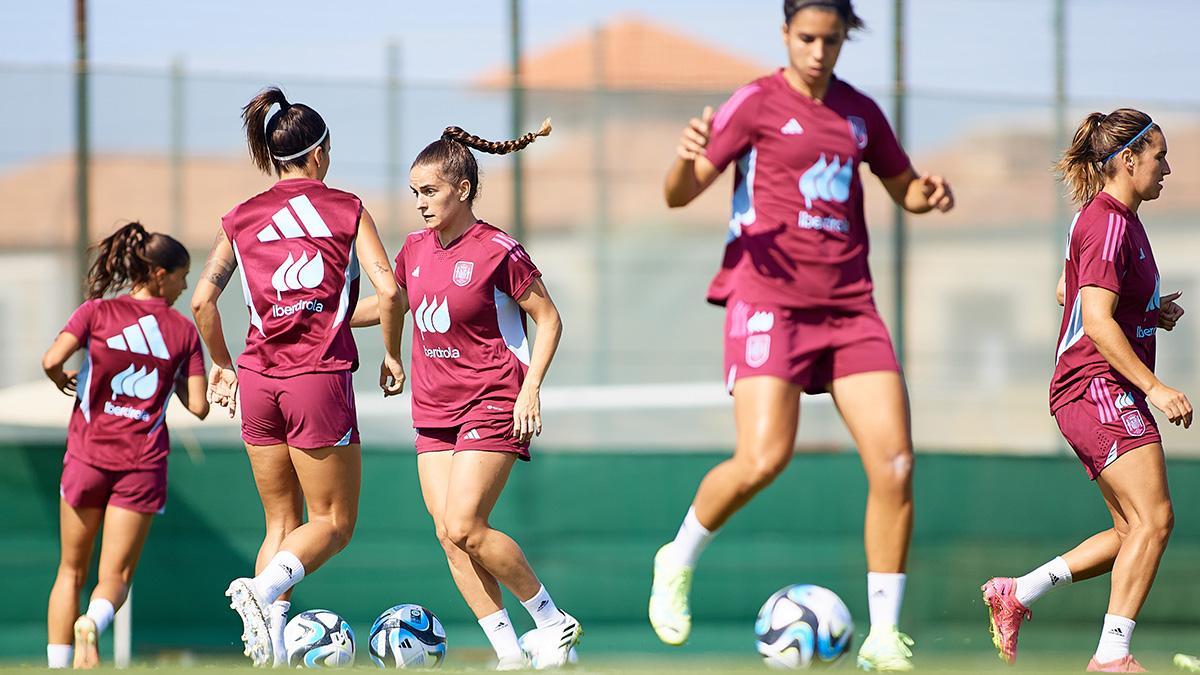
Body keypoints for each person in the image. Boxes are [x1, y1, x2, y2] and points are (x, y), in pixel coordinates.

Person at [649, 0, 955, 670]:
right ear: (785, 34)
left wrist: (925, 193)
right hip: (767, 302)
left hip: (851, 310)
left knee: (896, 464)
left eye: (833, 40)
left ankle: (882, 635)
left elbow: (902, 187)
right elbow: (678, 194)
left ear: (846, 39)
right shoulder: (754, 104)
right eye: (808, 38)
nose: (819, 51)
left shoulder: (860, 113)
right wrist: (684, 158)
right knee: (763, 457)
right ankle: (676, 557)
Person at [351, 120, 579, 670]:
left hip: (494, 401)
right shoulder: (413, 249)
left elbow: (548, 320)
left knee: (464, 524)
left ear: (464, 190)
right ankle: (509, 652)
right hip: (432, 409)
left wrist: (531, 390)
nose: (420, 203)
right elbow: (391, 306)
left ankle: (551, 622)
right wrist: (320, 320)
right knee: (449, 536)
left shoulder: (499, 250)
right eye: (415, 194)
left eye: (429, 192)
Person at [190, 87, 405, 667]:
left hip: (258, 381)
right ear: (320, 153)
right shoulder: (347, 208)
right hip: (317, 380)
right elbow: (389, 291)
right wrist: (391, 354)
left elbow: (203, 304)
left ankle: (272, 654)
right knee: (332, 523)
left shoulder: (239, 218)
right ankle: (259, 595)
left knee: (280, 523)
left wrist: (220, 365)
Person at [982, 108, 1188, 673]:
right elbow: (1092, 319)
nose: (1167, 167)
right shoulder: (1109, 222)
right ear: (1128, 159)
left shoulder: (1110, 219)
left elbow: (1065, 293)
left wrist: (1147, 312)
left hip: (1090, 389)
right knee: (1156, 521)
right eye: (1160, 156)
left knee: (1131, 530)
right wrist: (1156, 385)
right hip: (1096, 387)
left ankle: (1019, 592)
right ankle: (1112, 657)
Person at [43, 222, 209, 668]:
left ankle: (59, 666)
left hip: (86, 456)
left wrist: (62, 380)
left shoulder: (96, 312)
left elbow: (52, 359)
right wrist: (173, 376)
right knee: (114, 576)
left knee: (69, 571)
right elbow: (198, 407)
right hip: (141, 465)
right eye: (181, 276)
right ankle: (92, 625)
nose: (184, 285)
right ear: (158, 274)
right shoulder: (183, 332)